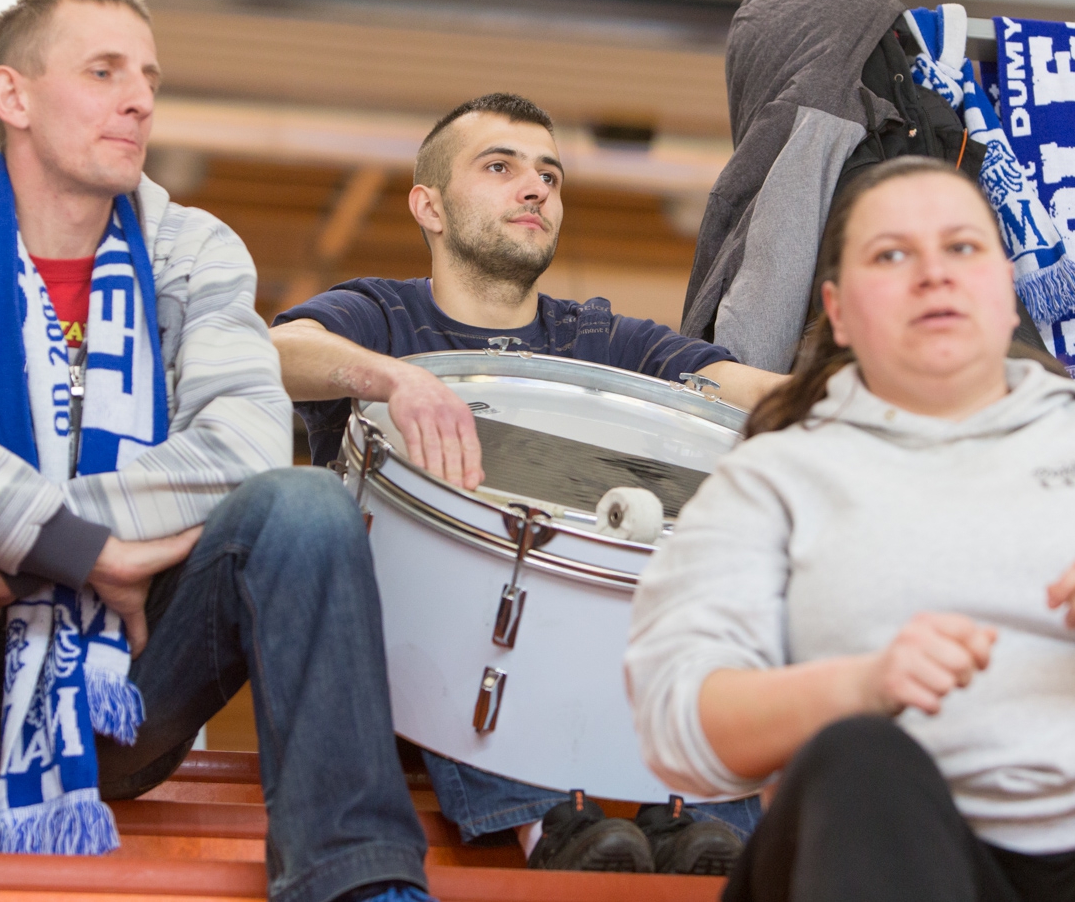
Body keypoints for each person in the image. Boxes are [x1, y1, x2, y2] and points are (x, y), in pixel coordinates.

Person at [0, 0, 432, 902]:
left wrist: (16, 547)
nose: (140, 98)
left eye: (148, 77)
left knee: (304, 503)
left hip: (125, 690)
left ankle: (359, 882)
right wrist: (88, 551)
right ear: (13, 96)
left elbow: (246, 446)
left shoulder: (194, 248)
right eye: (104, 71)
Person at [625, 155, 1075, 902]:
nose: (933, 273)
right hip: (905, 861)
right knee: (858, 755)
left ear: (1009, 292)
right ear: (839, 309)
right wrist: (864, 682)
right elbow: (679, 725)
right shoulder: (770, 476)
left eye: (963, 247)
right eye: (891, 255)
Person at [270, 93, 784, 876]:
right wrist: (390, 380)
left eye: (550, 172)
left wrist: (864, 401)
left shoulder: (601, 341)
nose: (535, 186)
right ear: (429, 205)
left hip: (592, 653)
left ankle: (698, 817)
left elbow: (736, 387)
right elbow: (276, 350)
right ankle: (544, 824)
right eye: (500, 166)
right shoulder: (381, 312)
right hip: (420, 654)